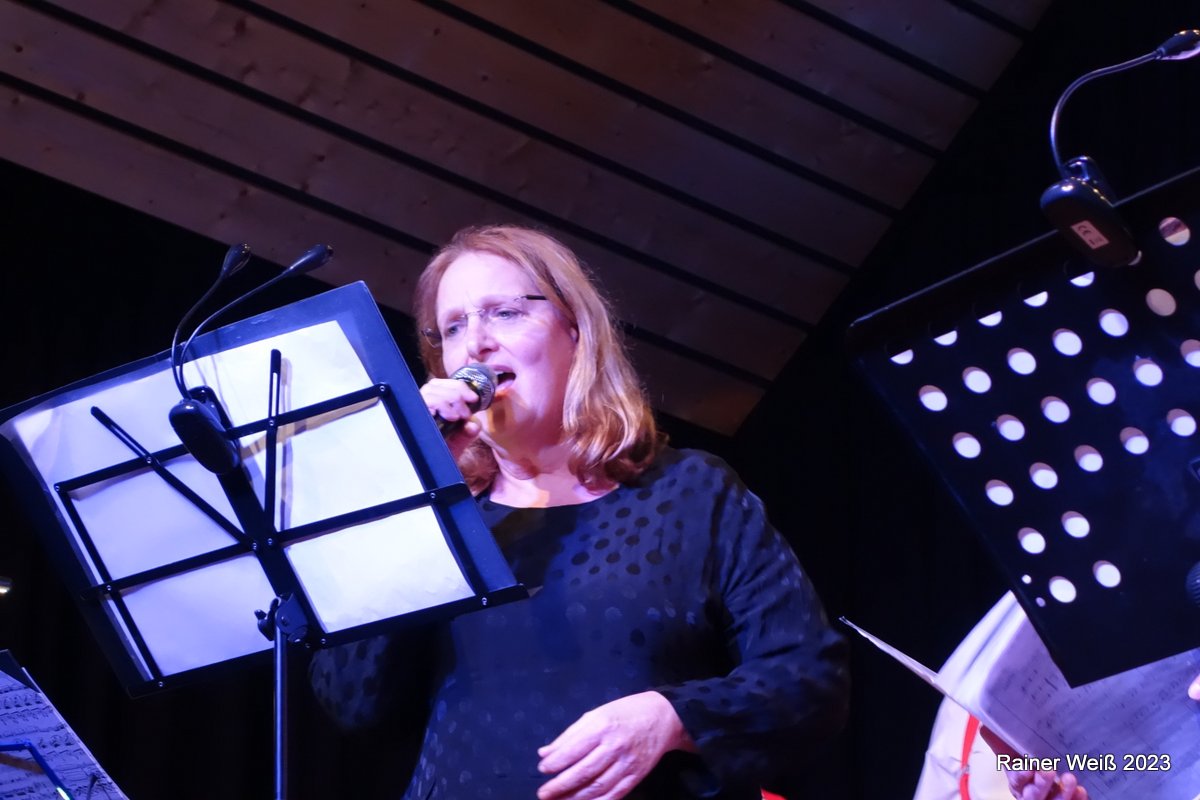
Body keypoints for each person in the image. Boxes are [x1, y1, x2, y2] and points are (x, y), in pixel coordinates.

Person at [309, 224, 849, 799]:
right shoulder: (438, 523)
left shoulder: (691, 492)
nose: (475, 345)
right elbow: (352, 701)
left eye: (505, 313)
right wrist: (416, 492)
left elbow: (808, 677)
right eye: (453, 328)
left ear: (576, 330)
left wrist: (673, 717)